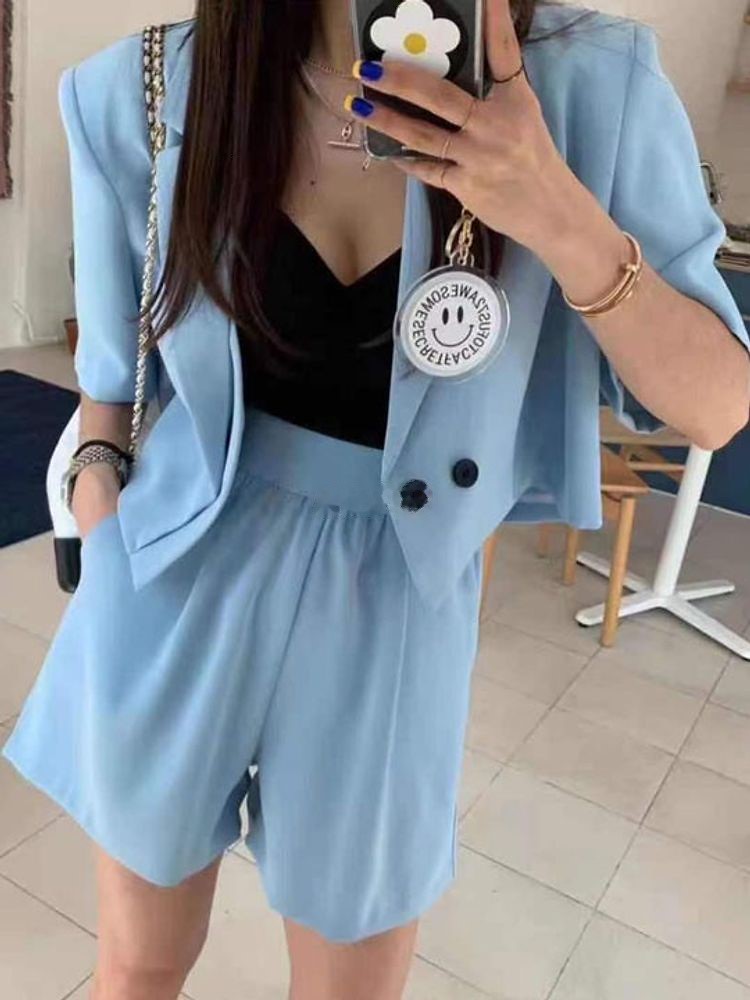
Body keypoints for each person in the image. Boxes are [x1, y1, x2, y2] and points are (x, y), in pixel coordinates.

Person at [4, 1, 749, 998]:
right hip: (172, 576)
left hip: (396, 598)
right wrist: (99, 499)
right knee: (137, 968)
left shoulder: (589, 84)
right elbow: (113, 383)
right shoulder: (150, 85)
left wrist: (557, 213)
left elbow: (717, 406)